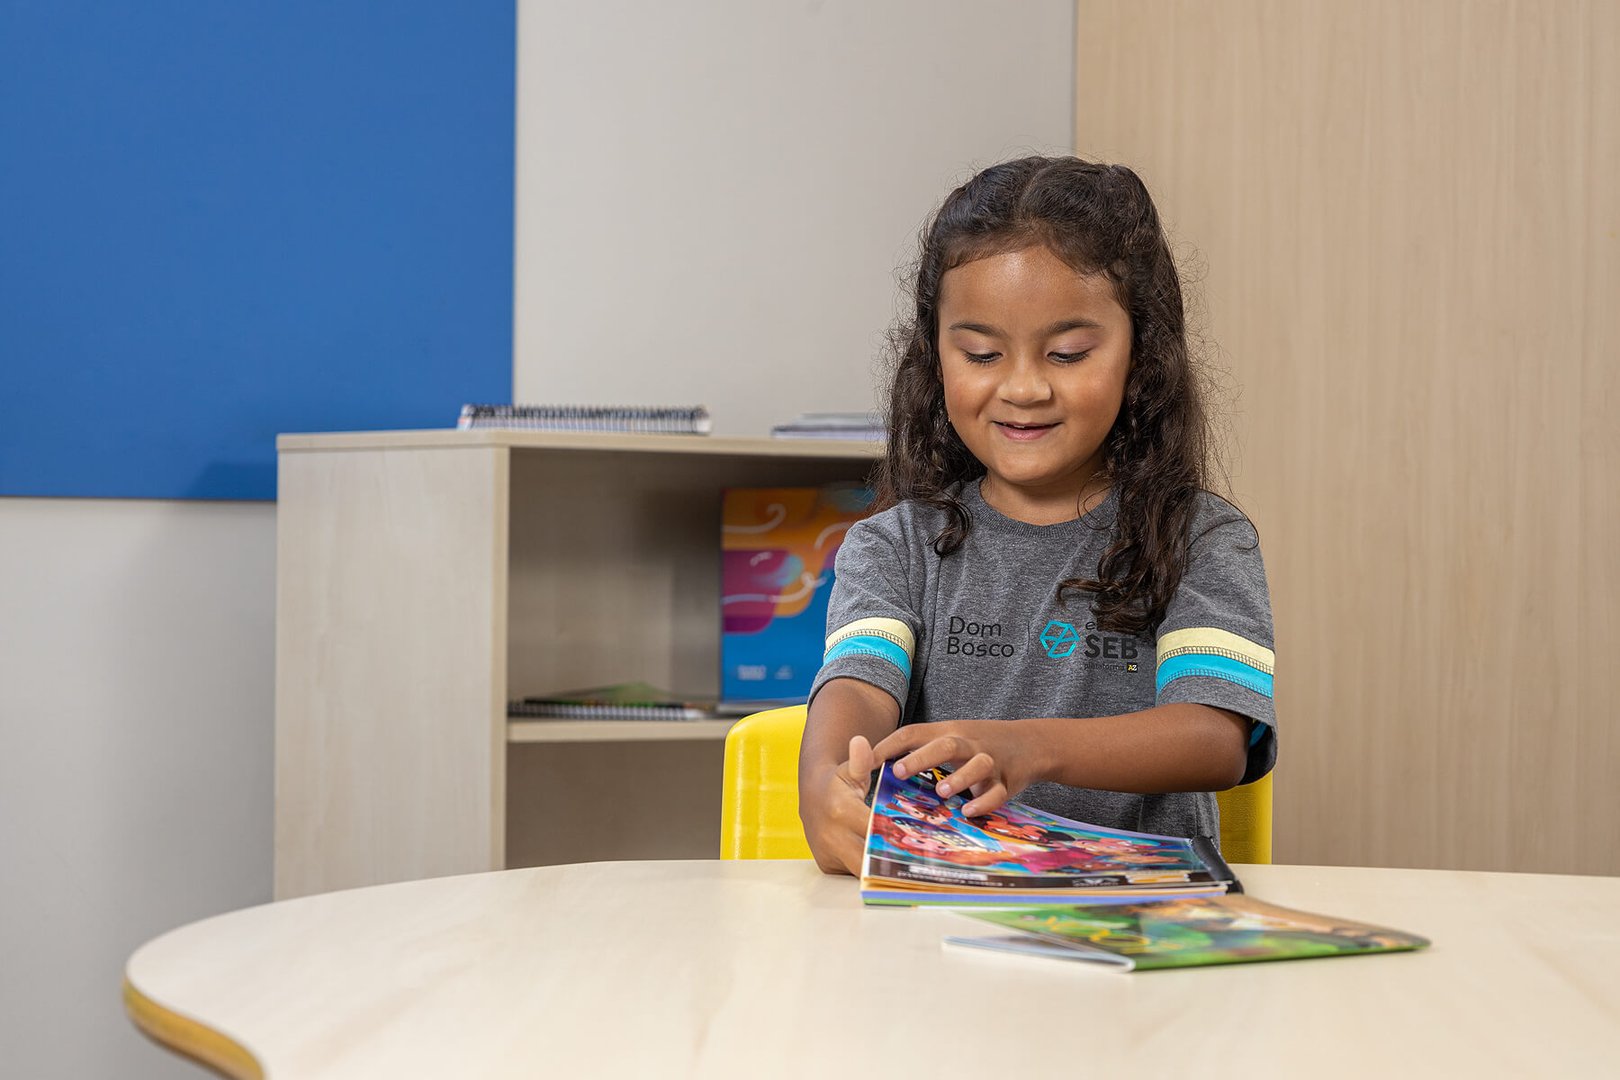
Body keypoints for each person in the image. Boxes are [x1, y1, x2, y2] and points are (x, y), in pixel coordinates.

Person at [797, 156, 1277, 876]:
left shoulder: (1203, 538)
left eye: (1066, 353)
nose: (1023, 387)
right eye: (982, 353)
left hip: (1141, 917)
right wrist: (822, 787)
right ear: (936, 358)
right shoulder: (892, 545)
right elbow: (858, 689)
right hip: (943, 911)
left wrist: (1026, 748)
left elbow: (1213, 736)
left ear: (1139, 356)